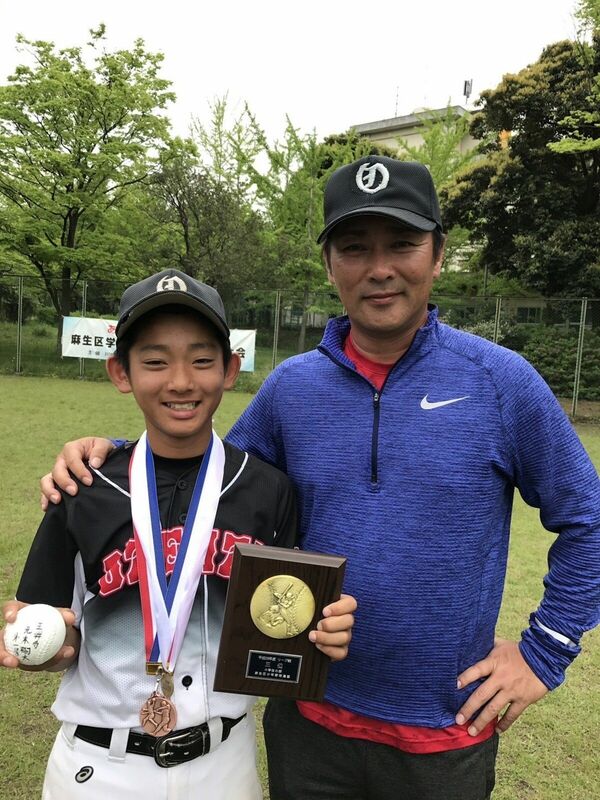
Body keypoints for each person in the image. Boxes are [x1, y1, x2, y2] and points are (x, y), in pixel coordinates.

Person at [39, 157, 600, 800]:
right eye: (355, 248)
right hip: (307, 725)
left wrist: (543, 654)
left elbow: (589, 518)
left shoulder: (500, 382)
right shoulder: (292, 389)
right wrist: (112, 455)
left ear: (439, 255)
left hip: (443, 734)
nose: (379, 268)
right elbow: (206, 479)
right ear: (331, 265)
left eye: (403, 244)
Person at [2, 268, 355, 800]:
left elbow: (284, 623)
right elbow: (49, 619)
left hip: (223, 762)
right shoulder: (82, 486)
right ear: (121, 372)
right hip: (100, 765)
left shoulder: (267, 490)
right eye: (155, 361)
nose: (181, 381)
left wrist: (321, 631)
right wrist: (50, 644)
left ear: (231, 368)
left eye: (202, 359)